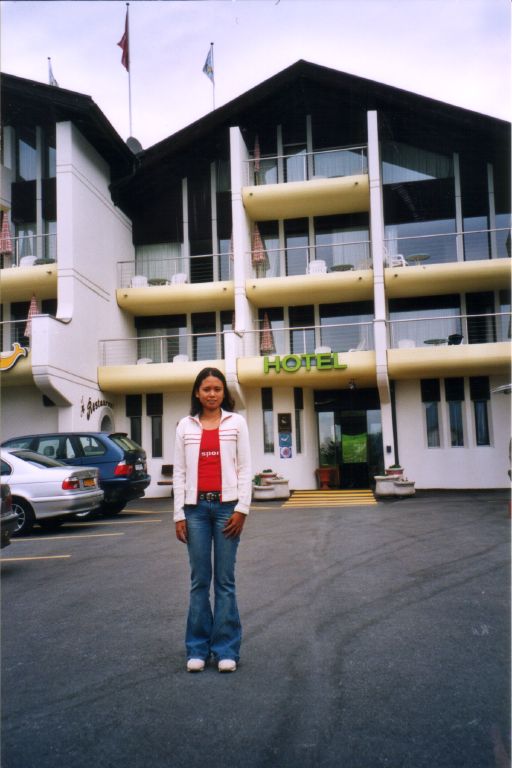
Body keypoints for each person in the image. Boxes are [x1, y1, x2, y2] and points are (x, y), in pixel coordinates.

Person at [174, 367, 252, 673]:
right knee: (199, 581)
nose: (211, 394)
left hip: (226, 509)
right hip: (195, 511)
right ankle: (197, 649)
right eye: (206, 389)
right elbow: (180, 473)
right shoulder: (185, 426)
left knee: (225, 582)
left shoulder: (237, 423)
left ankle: (225, 650)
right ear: (197, 392)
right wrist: (178, 514)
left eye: (217, 389)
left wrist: (242, 509)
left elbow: (245, 468)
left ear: (224, 393)